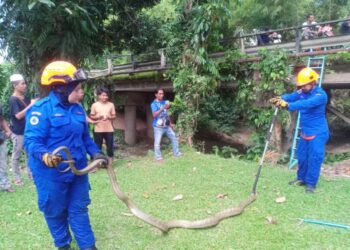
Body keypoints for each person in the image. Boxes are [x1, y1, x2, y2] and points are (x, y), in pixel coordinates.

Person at [24, 61, 108, 250]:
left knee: (79, 209)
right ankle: (63, 245)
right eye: (77, 89)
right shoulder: (41, 109)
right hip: (50, 174)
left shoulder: (77, 108)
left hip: (77, 170)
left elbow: (85, 137)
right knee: (55, 212)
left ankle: (88, 246)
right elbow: (32, 141)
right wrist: (45, 155)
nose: (81, 93)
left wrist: (96, 153)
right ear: (62, 88)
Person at [270, 67, 329, 193]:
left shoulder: (320, 95)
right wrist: (280, 98)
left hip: (318, 132)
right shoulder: (302, 91)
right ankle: (301, 179)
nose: (301, 87)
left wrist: (287, 105)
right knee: (301, 156)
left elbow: (306, 104)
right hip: (305, 131)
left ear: (313, 82)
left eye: (304, 85)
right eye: (300, 85)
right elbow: (291, 96)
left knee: (314, 158)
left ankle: (311, 184)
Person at [9, 73, 37, 185]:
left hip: (28, 130)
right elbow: (18, 116)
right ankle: (17, 178)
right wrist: (31, 105)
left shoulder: (25, 98)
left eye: (25, 83)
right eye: (22, 83)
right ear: (15, 86)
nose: (25, 85)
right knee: (16, 155)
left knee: (29, 154)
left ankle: (31, 175)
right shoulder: (13, 99)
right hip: (18, 132)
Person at [151, 88, 181, 162]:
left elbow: (166, 114)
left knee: (174, 138)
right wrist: (162, 108)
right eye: (160, 93)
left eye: (162, 93)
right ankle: (158, 157)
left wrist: (170, 123)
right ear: (156, 94)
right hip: (158, 127)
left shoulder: (164, 102)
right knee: (157, 143)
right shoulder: (153, 104)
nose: (162, 95)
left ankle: (176, 153)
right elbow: (154, 115)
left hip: (166, 126)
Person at [90, 87, 116, 164]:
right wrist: (98, 117)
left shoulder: (111, 105)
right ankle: (98, 163)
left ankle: (110, 163)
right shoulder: (94, 105)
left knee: (110, 147)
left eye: (106, 95)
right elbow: (91, 116)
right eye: (103, 95)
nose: (105, 97)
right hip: (98, 129)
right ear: (99, 96)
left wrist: (109, 117)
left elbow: (114, 116)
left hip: (109, 129)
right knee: (98, 147)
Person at [0, 102, 14, 192]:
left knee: (3, 163)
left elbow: (1, 118)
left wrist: (8, 130)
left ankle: (5, 184)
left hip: (0, 138)